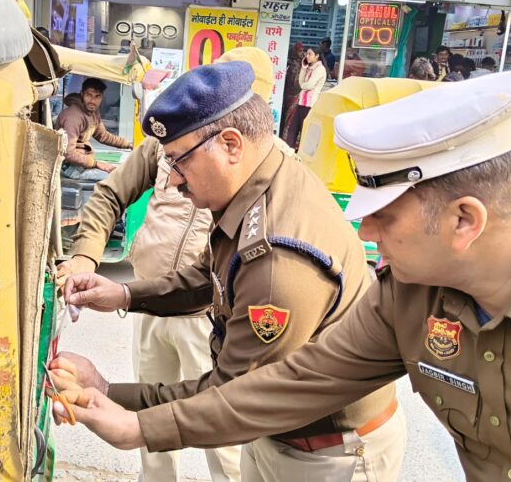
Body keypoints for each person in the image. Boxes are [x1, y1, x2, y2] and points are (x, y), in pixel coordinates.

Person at [53, 71, 511, 482]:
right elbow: (294, 383)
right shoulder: (409, 293)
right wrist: (133, 418)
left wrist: (135, 417)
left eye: (385, 214)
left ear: (464, 221)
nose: (366, 232)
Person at [56, 61, 406, 481]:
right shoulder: (258, 182)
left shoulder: (277, 257)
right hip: (279, 433)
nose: (174, 181)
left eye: (179, 163)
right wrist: (125, 294)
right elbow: (210, 278)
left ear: (231, 144)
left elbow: (230, 393)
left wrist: (115, 401)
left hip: (326, 453)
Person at [55, 47, 293, 482]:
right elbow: (111, 193)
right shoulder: (174, 137)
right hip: (149, 302)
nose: (180, 175)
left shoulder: (271, 163)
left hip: (209, 317)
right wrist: (85, 256)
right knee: (148, 426)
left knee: (221, 434)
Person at [57, 77, 133, 181]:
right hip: (70, 167)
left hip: (85, 161)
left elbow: (103, 135)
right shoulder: (73, 117)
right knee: (118, 180)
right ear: (82, 94)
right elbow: (68, 153)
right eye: (89, 95)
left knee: (125, 172)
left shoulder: (93, 112)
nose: (93, 101)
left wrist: (128, 144)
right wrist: (96, 164)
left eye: (97, 96)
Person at [283, 48, 327, 149]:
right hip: (301, 103)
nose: (307, 56)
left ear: (317, 56)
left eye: (310, 54)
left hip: (310, 105)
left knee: (305, 132)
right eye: (307, 54)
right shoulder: (309, 68)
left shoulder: (320, 69)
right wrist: (303, 68)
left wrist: (303, 84)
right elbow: (301, 83)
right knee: (292, 130)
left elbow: (308, 85)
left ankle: (300, 155)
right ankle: (289, 152)